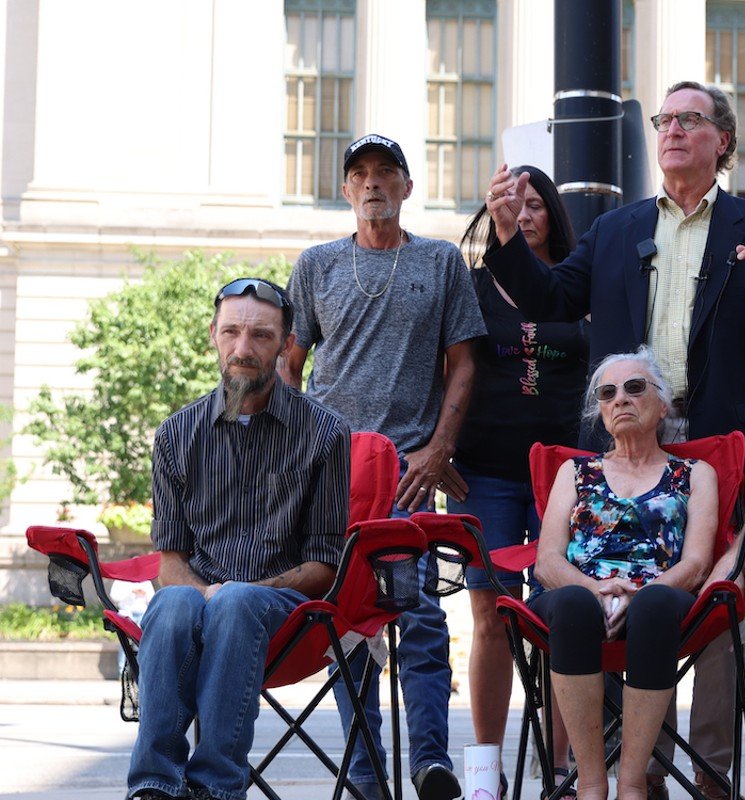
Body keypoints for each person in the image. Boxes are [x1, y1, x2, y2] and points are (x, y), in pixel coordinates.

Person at [483, 79, 745, 798]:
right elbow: (547, 300)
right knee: (600, 582)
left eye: (689, 120)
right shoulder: (613, 229)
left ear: (721, 140)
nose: (670, 130)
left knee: (715, 602)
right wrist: (508, 237)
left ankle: (707, 771)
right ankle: (612, 769)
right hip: (623, 447)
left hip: (722, 446)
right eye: (664, 119)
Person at [282, 134, 487, 800]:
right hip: (333, 475)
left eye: (385, 173)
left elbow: (464, 363)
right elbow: (290, 364)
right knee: (347, 618)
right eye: (360, 174)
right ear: (346, 190)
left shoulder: (439, 261)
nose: (372, 183)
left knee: (420, 612)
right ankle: (367, 772)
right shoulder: (316, 265)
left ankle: (431, 761)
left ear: (406, 186)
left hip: (404, 474)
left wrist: (439, 448)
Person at [127, 278, 351, 800]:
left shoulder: (326, 433)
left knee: (235, 600)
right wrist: (208, 593)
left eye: (260, 335)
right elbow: (171, 560)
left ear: (286, 343)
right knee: (172, 604)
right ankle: (154, 785)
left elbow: (324, 564)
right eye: (231, 332)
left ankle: (214, 787)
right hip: (198, 606)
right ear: (213, 335)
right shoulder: (176, 434)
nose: (243, 349)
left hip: (287, 615)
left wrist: (232, 591)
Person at [529, 348, 717, 800]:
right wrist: (596, 589)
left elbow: (695, 563)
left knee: (653, 606)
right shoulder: (575, 472)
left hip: (662, 596)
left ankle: (632, 784)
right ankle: (592, 785)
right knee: (572, 604)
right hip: (581, 592)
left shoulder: (694, 473)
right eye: (607, 393)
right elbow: (548, 560)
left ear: (662, 403)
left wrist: (638, 592)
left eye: (634, 388)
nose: (620, 400)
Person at [454, 164, 587, 787]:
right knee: (492, 614)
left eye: (537, 204)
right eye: (514, 202)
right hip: (486, 473)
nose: (526, 214)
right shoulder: (473, 287)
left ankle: (561, 762)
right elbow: (448, 372)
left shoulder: (574, 287)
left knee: (565, 611)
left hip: (565, 478)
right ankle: (486, 767)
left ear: (553, 214)